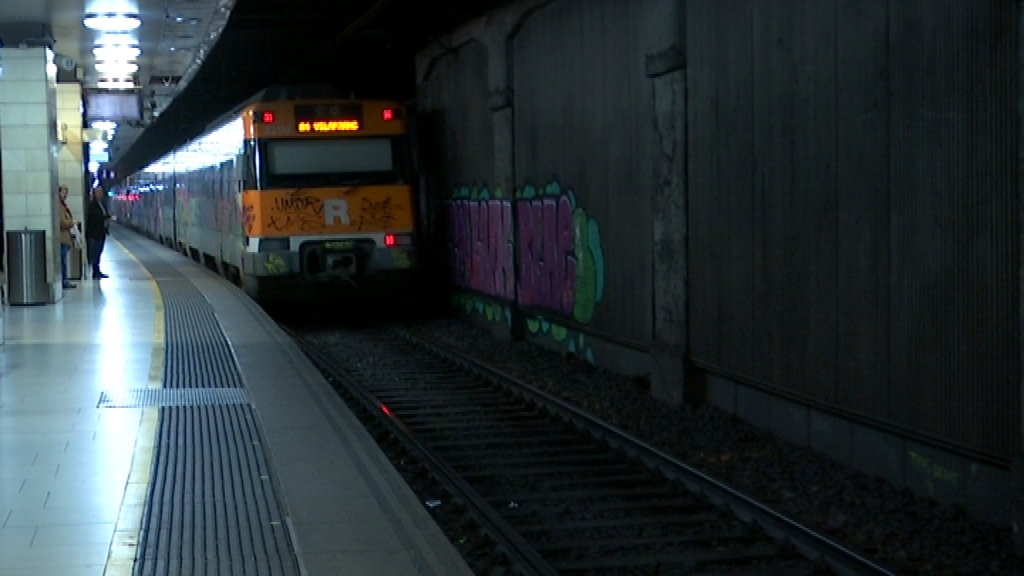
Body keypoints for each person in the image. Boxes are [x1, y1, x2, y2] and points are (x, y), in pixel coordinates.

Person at [85, 185, 114, 279]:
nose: (100, 194)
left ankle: (97, 271)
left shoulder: (100, 203)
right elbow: (94, 218)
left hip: (100, 233)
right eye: (98, 192)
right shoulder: (92, 205)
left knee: (98, 252)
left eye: (101, 192)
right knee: (95, 253)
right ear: (95, 193)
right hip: (95, 233)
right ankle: (95, 272)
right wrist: (106, 216)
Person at [57, 185, 77, 289]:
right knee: (62, 261)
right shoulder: (59, 206)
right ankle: (64, 281)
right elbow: (62, 223)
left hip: (65, 238)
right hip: (62, 238)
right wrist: (71, 222)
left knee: (63, 260)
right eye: (64, 193)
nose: (65, 195)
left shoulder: (63, 205)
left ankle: (64, 280)